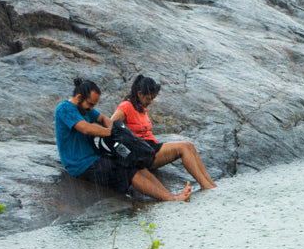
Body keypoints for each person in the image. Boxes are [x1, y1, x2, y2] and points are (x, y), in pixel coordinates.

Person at [54, 77, 191, 202]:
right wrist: (111, 132)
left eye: (93, 105)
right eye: (90, 104)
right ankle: (171, 199)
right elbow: (85, 128)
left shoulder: (85, 109)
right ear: (79, 97)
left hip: (95, 157)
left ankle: (169, 195)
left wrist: (118, 131)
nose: (91, 108)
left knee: (134, 162)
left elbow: (102, 118)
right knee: (127, 170)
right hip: (80, 165)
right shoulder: (65, 108)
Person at [107, 74, 217, 190]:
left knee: (189, 145)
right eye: (149, 98)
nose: (151, 102)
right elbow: (109, 124)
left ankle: (210, 183)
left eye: (153, 99)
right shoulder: (126, 107)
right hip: (143, 152)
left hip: (150, 147)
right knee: (183, 148)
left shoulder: (139, 106)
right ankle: (204, 185)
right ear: (139, 93)